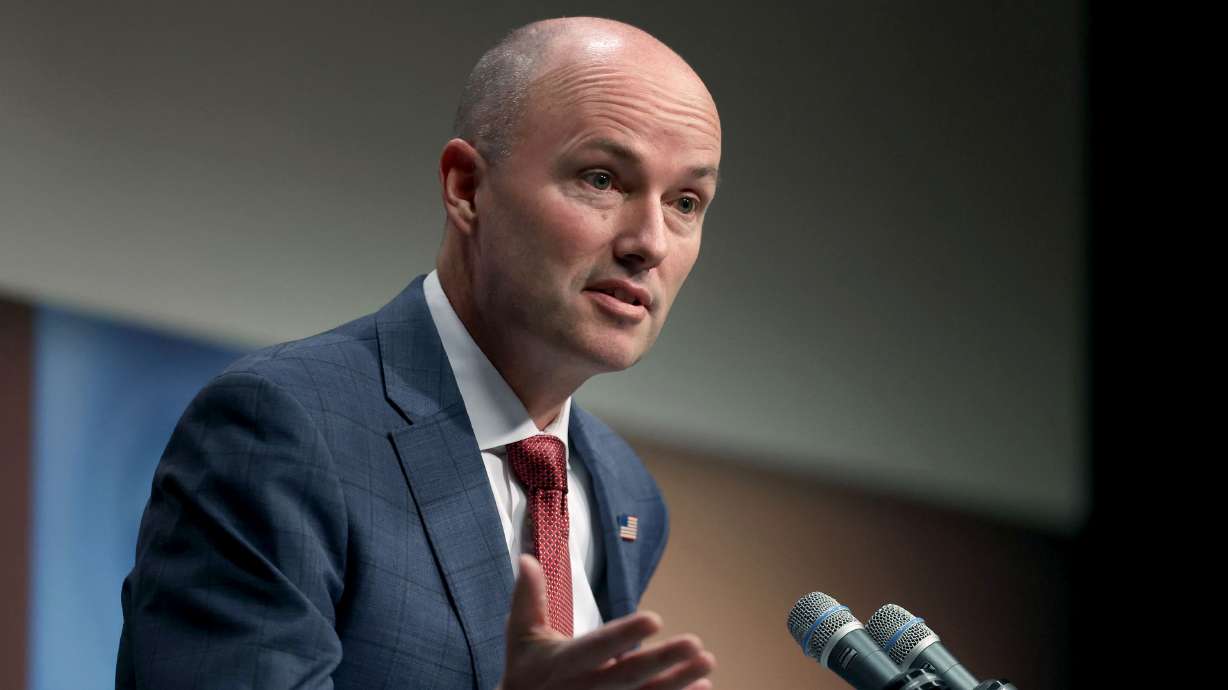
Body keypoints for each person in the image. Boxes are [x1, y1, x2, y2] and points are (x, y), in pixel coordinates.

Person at [117, 16, 721, 690]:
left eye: (686, 202)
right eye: (603, 180)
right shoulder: (279, 426)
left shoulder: (623, 487)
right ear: (466, 187)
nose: (651, 242)